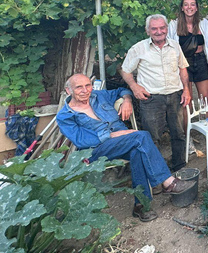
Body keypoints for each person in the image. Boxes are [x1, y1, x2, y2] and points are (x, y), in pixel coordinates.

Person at [57, 74, 194, 222]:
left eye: (87, 85)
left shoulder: (98, 96)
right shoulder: (65, 116)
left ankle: (141, 206)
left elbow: (122, 90)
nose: (85, 90)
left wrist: (127, 101)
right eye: (79, 87)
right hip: (96, 151)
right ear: (69, 90)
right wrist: (116, 134)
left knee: (137, 152)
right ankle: (168, 182)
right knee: (140, 137)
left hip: (124, 142)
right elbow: (83, 140)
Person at [121, 14, 191, 172]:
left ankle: (179, 168)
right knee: (153, 137)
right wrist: (134, 86)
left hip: (175, 95)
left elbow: (182, 68)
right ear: (147, 31)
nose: (159, 31)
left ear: (167, 28)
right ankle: (158, 173)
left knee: (178, 134)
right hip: (151, 99)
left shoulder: (174, 46)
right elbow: (125, 71)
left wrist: (186, 89)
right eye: (154, 28)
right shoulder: (138, 48)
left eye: (162, 28)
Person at [168, 0, 208, 152]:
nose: (189, 7)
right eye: (186, 5)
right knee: (186, 102)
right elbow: (171, 47)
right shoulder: (174, 24)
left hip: (201, 61)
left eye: (192, 5)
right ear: (182, 7)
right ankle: (187, 138)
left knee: (206, 99)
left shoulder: (203, 23)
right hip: (184, 65)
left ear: (196, 8)